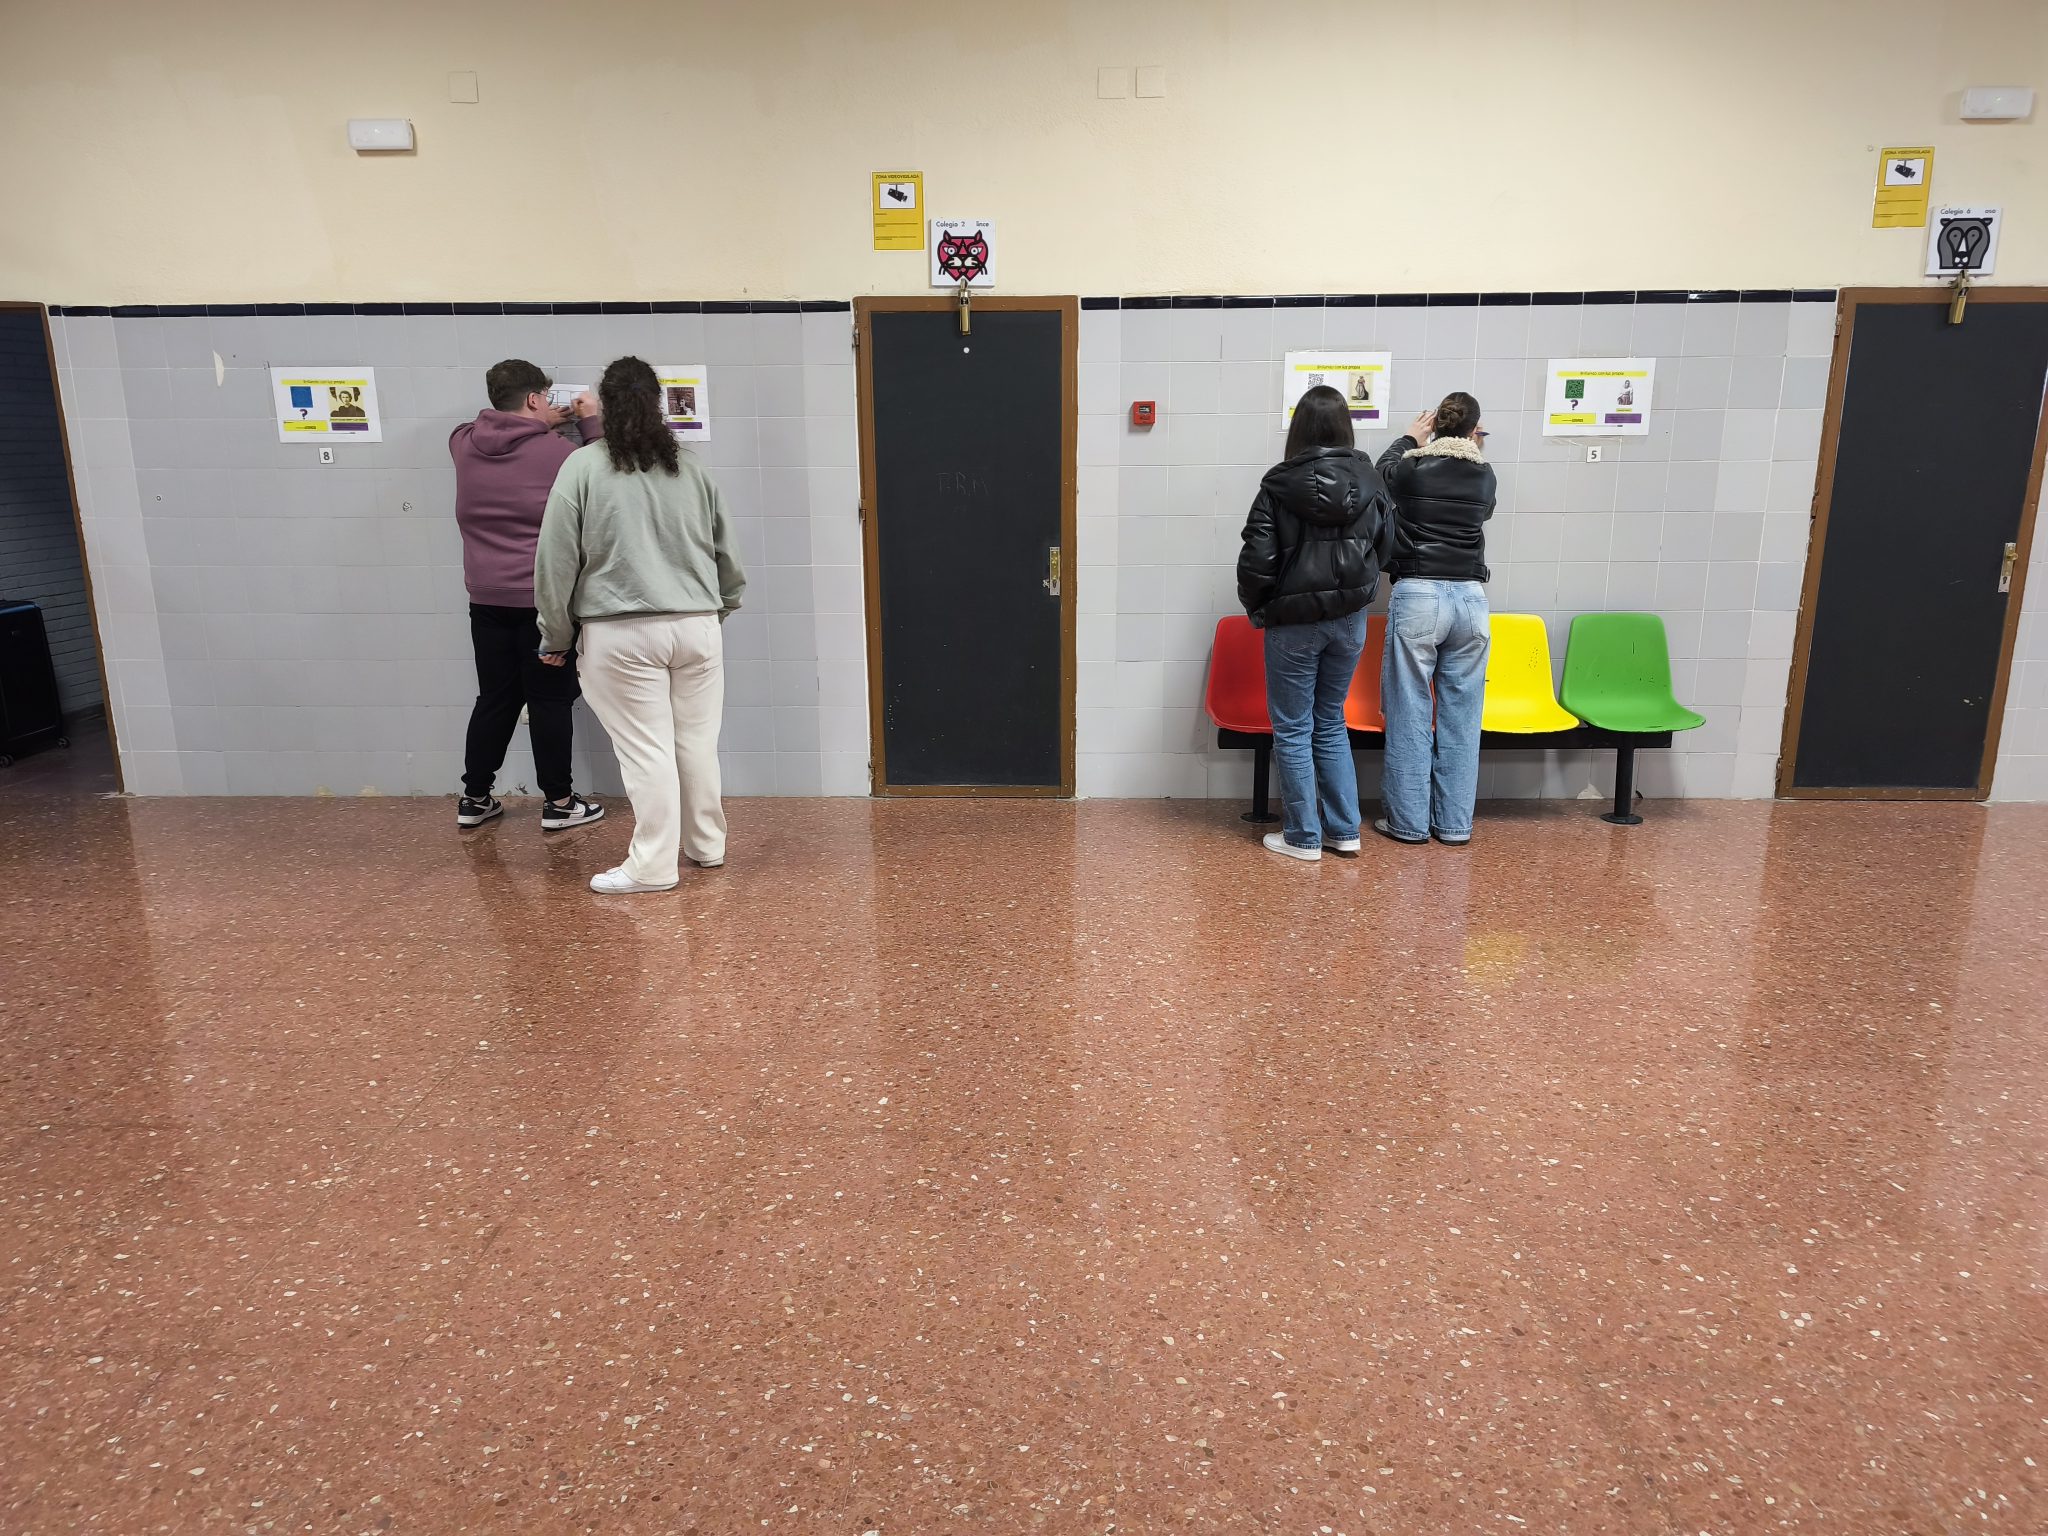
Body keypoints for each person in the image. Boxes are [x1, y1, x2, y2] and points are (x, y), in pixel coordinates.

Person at [535, 356, 746, 896]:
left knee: (646, 751)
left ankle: (652, 867)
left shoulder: (582, 467)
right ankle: (707, 845)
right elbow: (727, 554)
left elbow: (556, 561)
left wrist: (556, 636)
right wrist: (717, 609)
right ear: (657, 404)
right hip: (697, 626)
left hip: (620, 631)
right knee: (696, 743)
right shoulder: (690, 467)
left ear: (604, 406)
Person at [1236, 385, 1396, 862]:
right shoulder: (1371, 482)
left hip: (1293, 622)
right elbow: (1386, 548)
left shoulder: (1278, 486)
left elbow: (1256, 561)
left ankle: (1303, 837)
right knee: (1329, 721)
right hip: (1349, 619)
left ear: (1299, 430)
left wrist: (1260, 608)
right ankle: (1344, 831)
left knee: (1292, 727)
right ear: (1346, 426)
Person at [450, 359, 607, 832]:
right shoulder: (558, 453)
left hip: (485, 600)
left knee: (495, 698)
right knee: (548, 702)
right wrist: (588, 421)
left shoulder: (462, 443)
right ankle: (559, 802)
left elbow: (485, 428)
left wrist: (536, 420)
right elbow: (603, 472)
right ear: (536, 398)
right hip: (543, 604)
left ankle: (475, 798)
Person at [1374, 391, 1496, 847]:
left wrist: (1410, 437)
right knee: (1462, 718)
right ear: (1472, 431)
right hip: (1471, 599)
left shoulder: (1412, 468)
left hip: (1420, 594)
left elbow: (1379, 475)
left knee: (1410, 711)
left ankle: (1408, 824)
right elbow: (1483, 511)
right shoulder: (1485, 474)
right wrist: (1473, 448)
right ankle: (1454, 826)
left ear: (1436, 425)